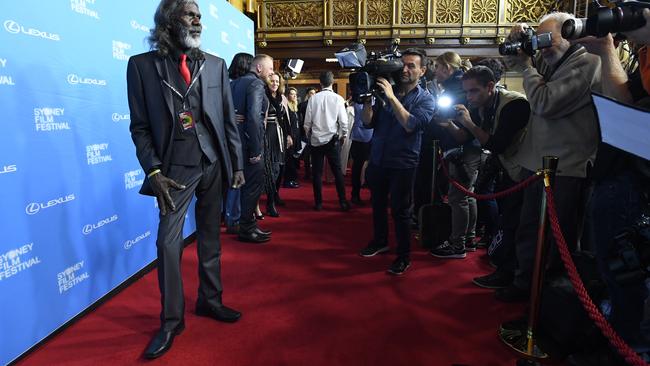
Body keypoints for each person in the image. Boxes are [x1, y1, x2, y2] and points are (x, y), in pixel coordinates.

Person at [126, 0, 244, 359]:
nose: (198, 20)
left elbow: (227, 120)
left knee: (210, 238)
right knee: (168, 243)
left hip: (213, 164)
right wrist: (154, 170)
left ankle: (210, 299)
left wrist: (235, 164)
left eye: (199, 15)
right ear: (168, 20)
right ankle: (172, 320)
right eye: (190, 14)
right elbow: (140, 128)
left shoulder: (216, 65)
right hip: (174, 171)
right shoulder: (142, 67)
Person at [497, 12, 602, 302]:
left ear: (569, 33)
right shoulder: (553, 60)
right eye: (538, 39)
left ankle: (547, 298)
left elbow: (545, 103)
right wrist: (516, 40)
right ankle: (524, 285)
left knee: (556, 239)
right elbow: (511, 62)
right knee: (529, 230)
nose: (542, 46)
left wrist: (529, 65)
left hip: (566, 167)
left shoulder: (588, 63)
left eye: (547, 39)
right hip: (539, 164)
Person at [449, 66, 530, 289]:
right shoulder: (482, 105)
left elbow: (496, 144)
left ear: (491, 86)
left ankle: (515, 279)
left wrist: (468, 122)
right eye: (466, 92)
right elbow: (464, 138)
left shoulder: (515, 104)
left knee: (518, 227)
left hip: (525, 171)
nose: (469, 97)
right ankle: (505, 271)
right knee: (508, 222)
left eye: (473, 91)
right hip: (508, 170)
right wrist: (446, 123)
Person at [358, 48, 436, 275]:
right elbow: (367, 123)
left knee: (401, 211)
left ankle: (404, 256)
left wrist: (391, 98)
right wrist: (367, 102)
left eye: (411, 66)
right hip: (378, 158)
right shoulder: (385, 92)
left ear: (422, 71)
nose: (405, 69)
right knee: (377, 206)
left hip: (403, 162)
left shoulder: (426, 99)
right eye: (402, 64)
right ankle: (380, 241)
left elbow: (411, 124)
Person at [429, 52, 481, 258]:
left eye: (438, 67)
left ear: (447, 67)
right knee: (468, 196)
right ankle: (469, 238)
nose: (435, 72)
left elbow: (457, 126)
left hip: (462, 148)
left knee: (457, 197)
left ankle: (457, 244)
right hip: (472, 148)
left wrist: (444, 122)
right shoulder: (460, 85)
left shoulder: (456, 88)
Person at [230, 54, 275, 243]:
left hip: (235, 144)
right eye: (270, 68)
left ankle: (247, 225)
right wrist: (256, 151)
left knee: (242, 187)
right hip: (250, 146)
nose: (272, 73)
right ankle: (247, 228)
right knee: (252, 188)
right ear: (259, 69)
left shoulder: (234, 83)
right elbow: (255, 118)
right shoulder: (256, 84)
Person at [304, 71, 350, 211]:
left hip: (316, 140)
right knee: (337, 172)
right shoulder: (338, 99)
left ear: (320, 83)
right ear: (332, 82)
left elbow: (307, 122)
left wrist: (308, 135)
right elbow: (344, 122)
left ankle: (318, 203)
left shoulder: (313, 99)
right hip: (332, 140)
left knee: (317, 173)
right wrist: (343, 135)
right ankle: (342, 201)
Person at [224, 52, 254, 235]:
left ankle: (233, 216)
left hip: (235, 139)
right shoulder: (231, 85)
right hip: (234, 140)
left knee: (237, 179)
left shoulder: (233, 84)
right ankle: (232, 218)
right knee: (236, 179)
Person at [263, 73, 293, 217]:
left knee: (280, 168)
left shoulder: (282, 98)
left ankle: (275, 196)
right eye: (272, 81)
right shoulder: (263, 96)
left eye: (277, 81)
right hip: (268, 134)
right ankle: (270, 204)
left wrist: (288, 135)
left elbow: (286, 119)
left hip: (280, 134)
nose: (274, 83)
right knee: (272, 170)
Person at [349, 100, 373, 205]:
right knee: (357, 167)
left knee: (375, 166)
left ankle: (374, 194)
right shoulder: (359, 98)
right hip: (360, 136)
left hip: (377, 136)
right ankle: (355, 195)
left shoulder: (381, 96)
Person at [283, 87, 301, 188]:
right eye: (292, 94)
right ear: (287, 95)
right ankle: (287, 181)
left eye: (295, 94)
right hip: (290, 137)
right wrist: (288, 136)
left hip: (296, 137)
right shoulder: (287, 107)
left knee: (294, 160)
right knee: (289, 160)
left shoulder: (295, 107)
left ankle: (292, 179)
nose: (294, 96)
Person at [298, 87, 317, 179]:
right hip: (305, 132)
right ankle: (307, 173)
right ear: (307, 94)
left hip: (316, 131)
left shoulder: (318, 104)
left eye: (314, 93)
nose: (312, 95)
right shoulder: (302, 105)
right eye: (311, 93)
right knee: (306, 154)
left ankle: (314, 173)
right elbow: (299, 119)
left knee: (315, 154)